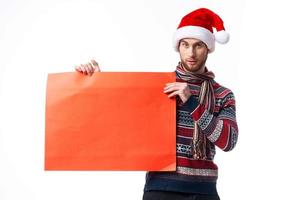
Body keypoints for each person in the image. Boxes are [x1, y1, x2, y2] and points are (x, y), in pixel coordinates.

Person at [74, 7, 238, 200]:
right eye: (185, 45)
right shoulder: (158, 87)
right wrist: (97, 83)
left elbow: (228, 141)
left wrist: (192, 102)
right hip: (160, 189)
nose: (191, 52)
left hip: (204, 192)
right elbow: (118, 118)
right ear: (178, 47)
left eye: (198, 45)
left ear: (208, 48)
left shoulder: (222, 94)